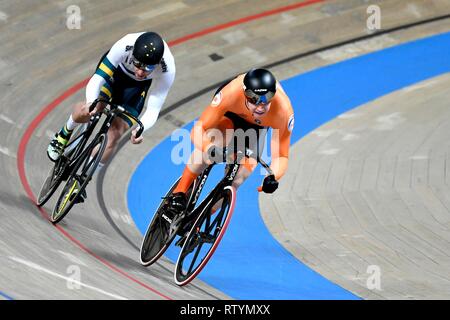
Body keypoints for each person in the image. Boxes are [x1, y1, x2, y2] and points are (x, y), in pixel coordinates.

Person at [47, 31, 176, 201]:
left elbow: (153, 108)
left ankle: (82, 181)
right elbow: (97, 79)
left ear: (157, 64)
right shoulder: (125, 45)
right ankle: (64, 133)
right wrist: (92, 102)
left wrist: (140, 129)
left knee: (115, 133)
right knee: (93, 108)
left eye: (147, 68)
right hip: (114, 75)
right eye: (137, 64)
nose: (139, 71)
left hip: (136, 90)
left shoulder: (168, 69)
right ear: (133, 55)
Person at [164, 68, 294, 222]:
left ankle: (199, 221)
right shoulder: (231, 92)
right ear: (245, 93)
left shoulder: (284, 112)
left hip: (256, 128)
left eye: (267, 99)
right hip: (229, 114)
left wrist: (273, 176)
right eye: (253, 99)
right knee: (214, 142)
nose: (260, 106)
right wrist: (209, 149)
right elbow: (198, 130)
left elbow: (281, 155)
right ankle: (179, 192)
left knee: (237, 179)